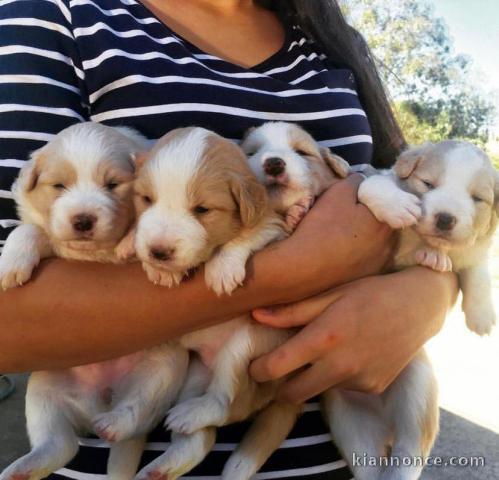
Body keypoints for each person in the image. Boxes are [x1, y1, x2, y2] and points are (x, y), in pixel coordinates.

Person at [0, 0, 457, 478]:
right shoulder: (53, 17)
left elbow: (408, 202)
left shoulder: (328, 42)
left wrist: (431, 296)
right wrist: (295, 268)